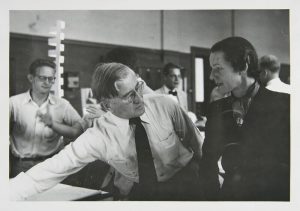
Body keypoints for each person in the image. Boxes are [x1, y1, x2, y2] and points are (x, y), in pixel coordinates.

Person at [10, 63, 204, 201]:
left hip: (188, 180)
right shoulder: (99, 136)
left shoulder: (166, 105)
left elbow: (198, 145)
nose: (139, 98)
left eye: (138, 88)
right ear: (107, 104)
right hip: (145, 192)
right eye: (129, 95)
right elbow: (51, 169)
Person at [199, 37, 290, 201]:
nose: (211, 76)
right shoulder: (216, 109)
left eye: (218, 68)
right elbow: (207, 163)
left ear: (243, 65)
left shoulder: (286, 105)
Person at [9, 58, 83, 178]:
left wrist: (53, 125)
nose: (47, 82)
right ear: (31, 78)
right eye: (42, 78)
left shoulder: (62, 105)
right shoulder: (13, 103)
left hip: (52, 165)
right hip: (21, 166)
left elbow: (78, 131)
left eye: (51, 79)